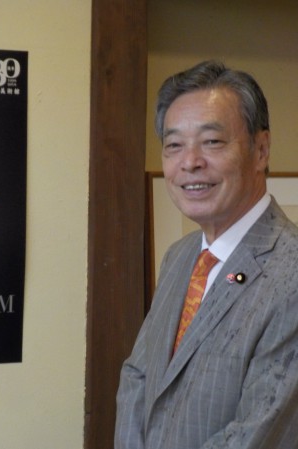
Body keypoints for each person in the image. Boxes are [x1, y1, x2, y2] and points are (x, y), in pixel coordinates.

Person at [115, 60, 298, 449]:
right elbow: (138, 377)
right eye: (174, 145)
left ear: (261, 150)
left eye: (212, 141)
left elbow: (259, 431)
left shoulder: (291, 272)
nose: (190, 162)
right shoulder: (180, 257)